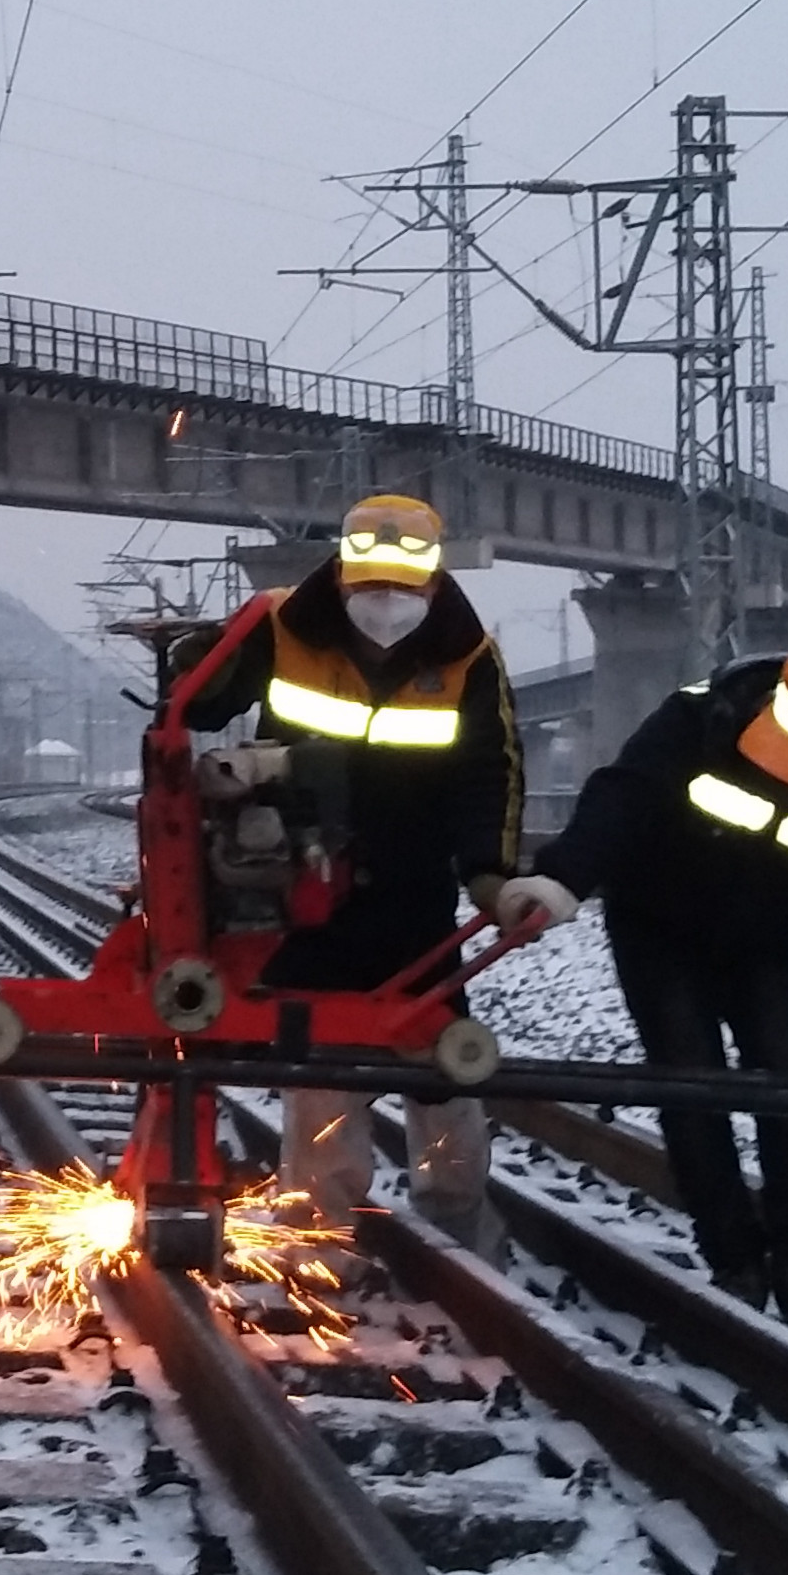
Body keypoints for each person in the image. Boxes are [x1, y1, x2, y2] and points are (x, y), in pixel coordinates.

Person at [518, 647, 788, 1335]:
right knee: (692, 1087)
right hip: (658, 928)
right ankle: (733, 1257)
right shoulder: (696, 720)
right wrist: (562, 877)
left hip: (767, 936)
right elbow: (620, 795)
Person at [178, 495, 522, 1253]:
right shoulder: (277, 624)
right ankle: (317, 1230)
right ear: (339, 576)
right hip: (299, 877)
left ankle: (459, 1221)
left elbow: (487, 772)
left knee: (437, 1048)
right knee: (319, 1048)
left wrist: (489, 873)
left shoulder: (466, 655)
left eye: (403, 590)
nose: (386, 605)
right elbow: (201, 707)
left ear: (434, 587)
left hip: (414, 880)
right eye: (370, 588)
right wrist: (196, 659)